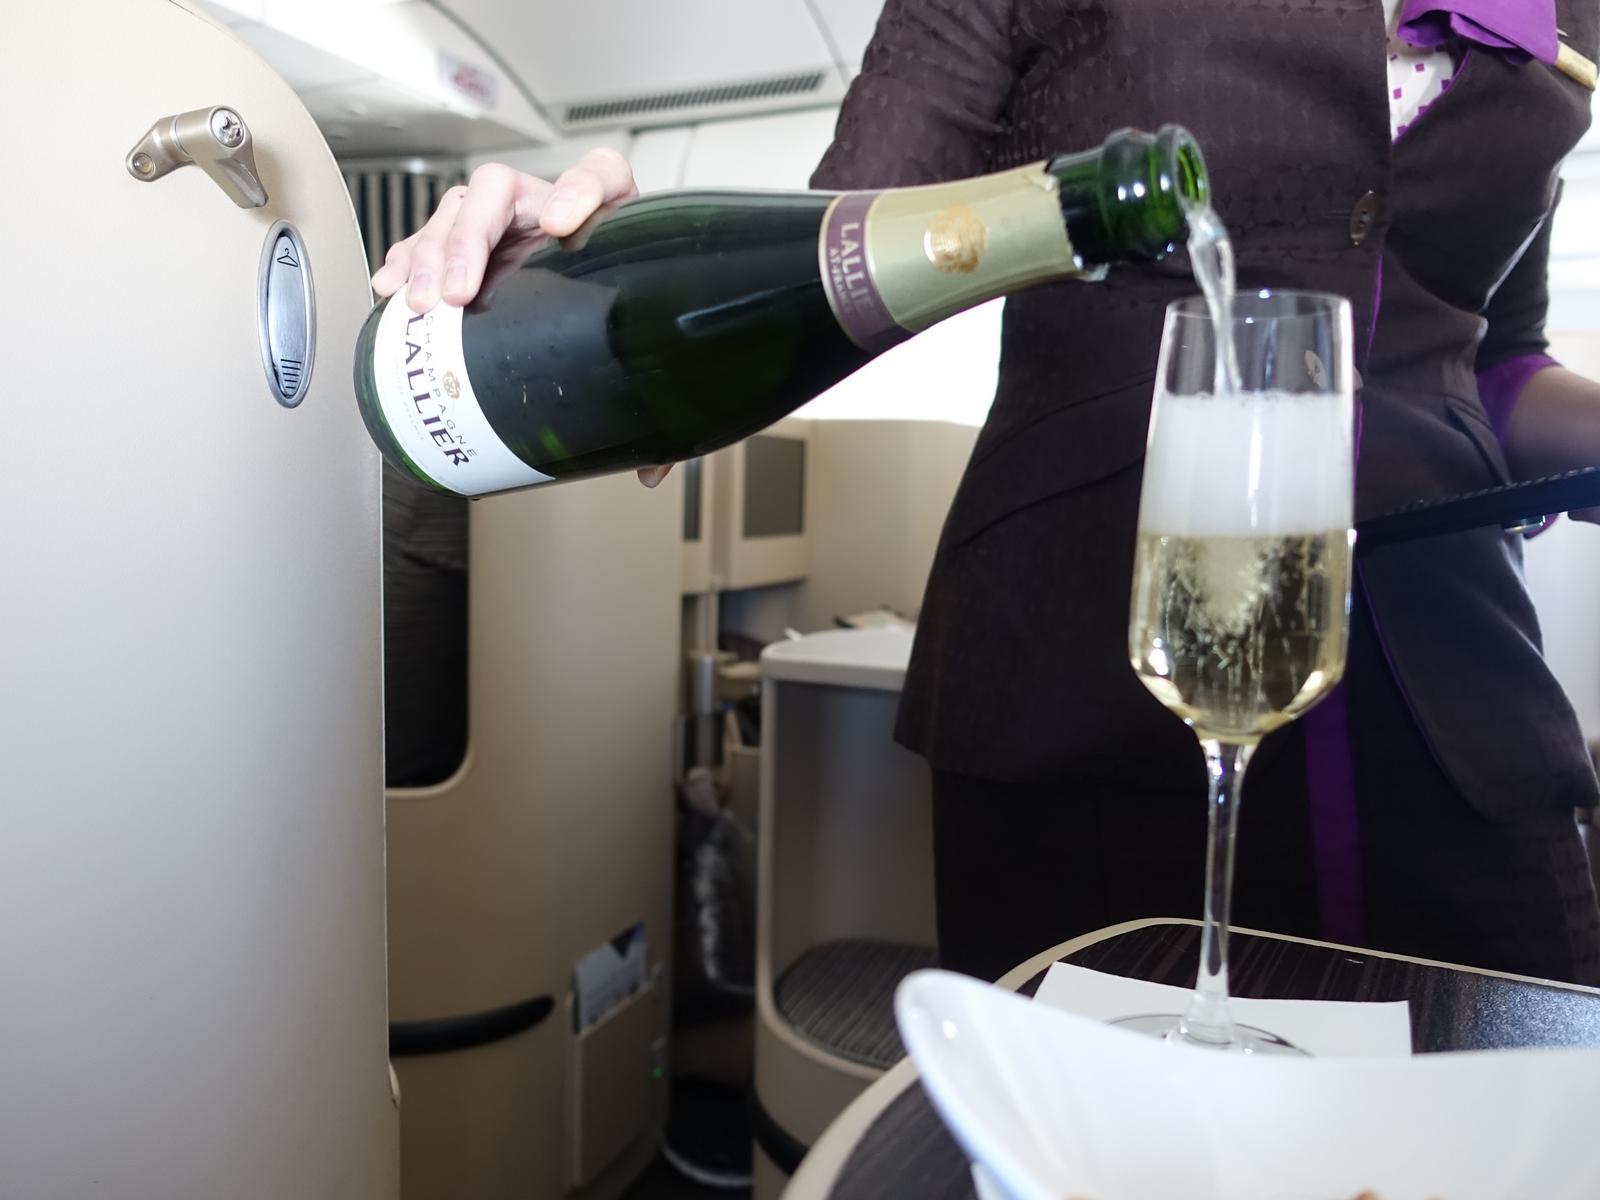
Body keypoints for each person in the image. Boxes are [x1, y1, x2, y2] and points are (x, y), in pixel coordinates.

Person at [374, 0, 1600, 986]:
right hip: (1084, 659)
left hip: (1448, 689)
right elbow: (829, 246)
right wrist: (592, 267)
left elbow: (1492, 356)